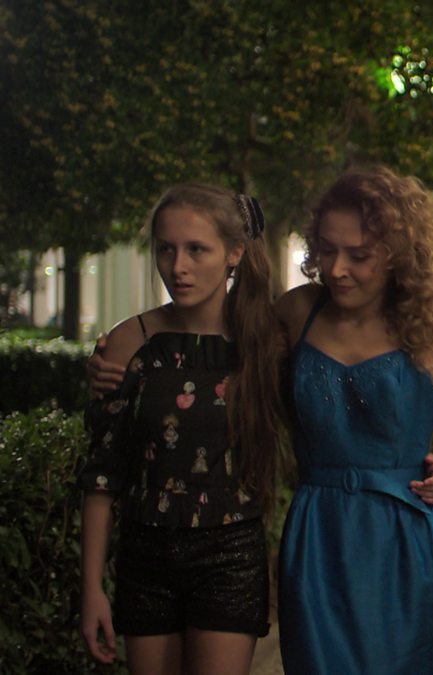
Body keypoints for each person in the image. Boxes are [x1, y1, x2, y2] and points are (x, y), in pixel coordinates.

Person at [272, 166, 433, 673]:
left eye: (359, 255)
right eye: (326, 249)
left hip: (404, 534)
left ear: (397, 253)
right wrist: (127, 347)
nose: (337, 269)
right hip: (318, 535)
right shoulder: (298, 311)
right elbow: (216, 354)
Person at [78, 183, 285, 674]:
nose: (178, 267)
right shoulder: (130, 341)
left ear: (234, 252)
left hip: (231, 552)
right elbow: (102, 473)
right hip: (145, 555)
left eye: (196, 249)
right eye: (165, 249)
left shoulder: (263, 342)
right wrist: (91, 589)